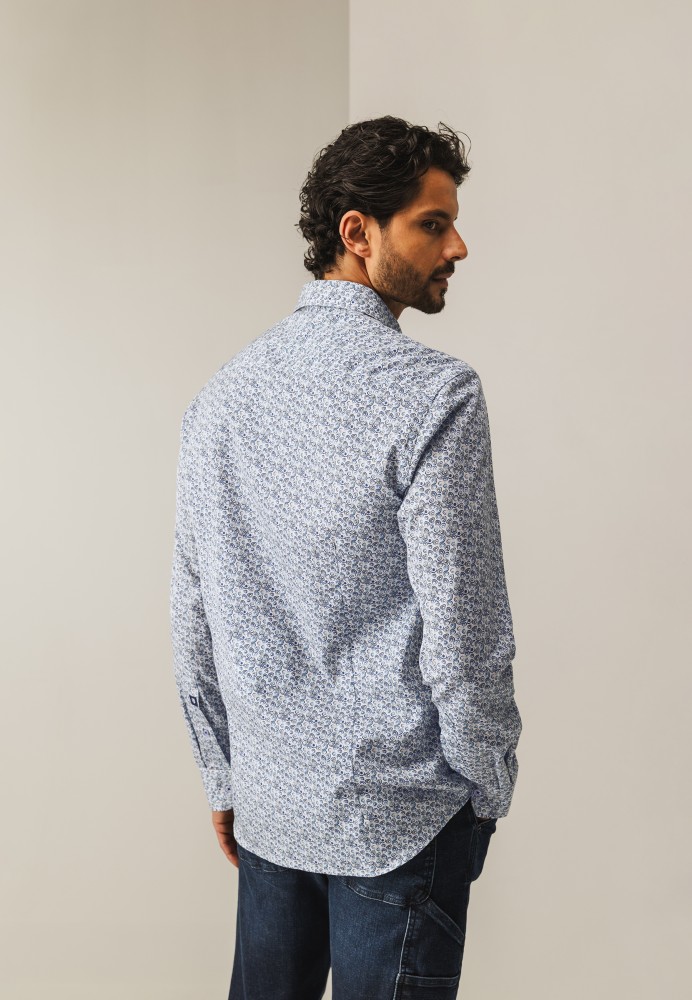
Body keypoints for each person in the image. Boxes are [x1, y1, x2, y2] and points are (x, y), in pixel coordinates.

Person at [170, 115, 522, 1000]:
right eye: (432, 224)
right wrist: (485, 791)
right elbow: (466, 630)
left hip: (270, 806)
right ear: (357, 232)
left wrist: (225, 774)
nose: (458, 247)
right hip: (401, 817)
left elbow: (191, 615)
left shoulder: (222, 398)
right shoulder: (436, 396)